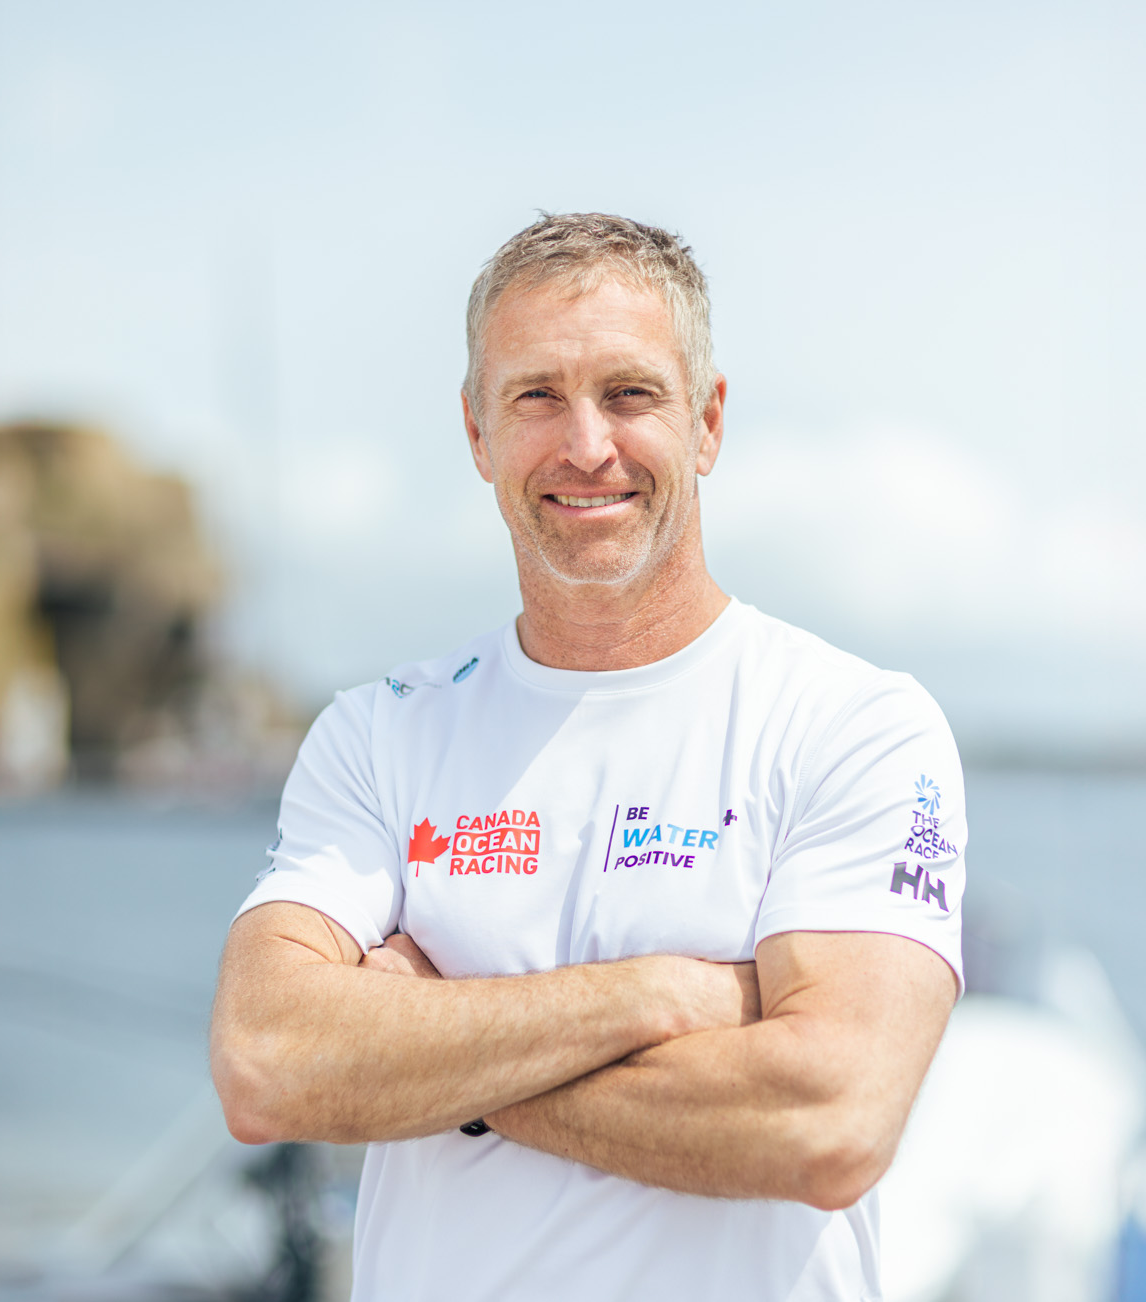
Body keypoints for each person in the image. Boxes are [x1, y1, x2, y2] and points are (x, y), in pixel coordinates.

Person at [210, 213, 966, 1302]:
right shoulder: (381, 733)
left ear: (706, 422)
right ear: (476, 432)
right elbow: (266, 1060)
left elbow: (829, 1120)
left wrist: (427, 1058)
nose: (585, 445)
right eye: (535, 396)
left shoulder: (850, 724)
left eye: (629, 392)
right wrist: (662, 995)